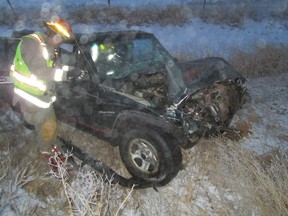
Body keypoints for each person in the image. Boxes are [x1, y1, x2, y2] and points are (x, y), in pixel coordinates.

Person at [9, 17, 81, 175]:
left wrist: (72, 70)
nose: (61, 43)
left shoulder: (46, 46)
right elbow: (41, 71)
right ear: (53, 34)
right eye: (60, 39)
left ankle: (52, 147)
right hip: (30, 96)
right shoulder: (32, 44)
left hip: (40, 94)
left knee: (49, 125)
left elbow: (52, 66)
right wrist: (66, 74)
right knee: (47, 126)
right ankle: (50, 158)